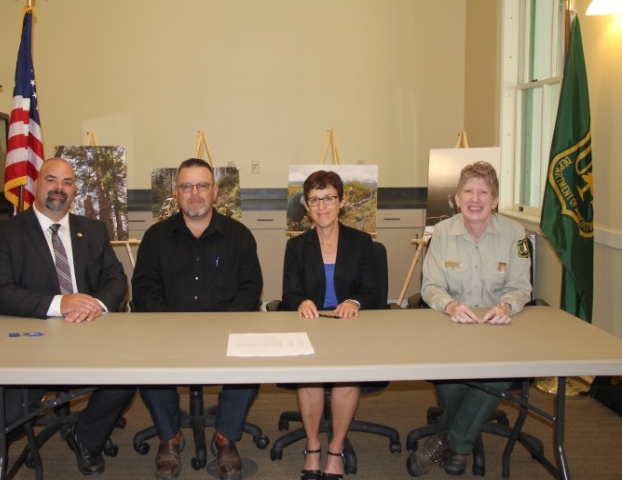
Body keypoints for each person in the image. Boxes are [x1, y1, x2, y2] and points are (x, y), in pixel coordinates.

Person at [0, 157, 136, 476]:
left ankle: (86, 438)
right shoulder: (7, 233)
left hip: (89, 330)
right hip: (33, 337)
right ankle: (0, 438)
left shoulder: (92, 230)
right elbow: (0, 292)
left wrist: (96, 304)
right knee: (6, 414)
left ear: (74, 189)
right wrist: (60, 303)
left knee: (126, 378)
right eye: (51, 179)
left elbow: (116, 279)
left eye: (67, 182)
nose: (59, 189)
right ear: (35, 184)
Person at [131, 158, 263, 480]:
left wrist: (221, 326)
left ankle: (225, 436)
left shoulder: (240, 236)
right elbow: (144, 289)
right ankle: (170, 436)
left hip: (226, 331)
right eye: (187, 186)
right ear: (176, 193)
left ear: (215, 192)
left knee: (250, 363)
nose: (195, 194)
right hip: (168, 330)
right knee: (148, 364)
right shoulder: (156, 237)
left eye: (202, 185)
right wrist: (170, 326)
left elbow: (250, 290)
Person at [406, 161, 532, 477]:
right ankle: (460, 443)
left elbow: (521, 287)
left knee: (498, 374)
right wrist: (449, 305)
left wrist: (506, 306)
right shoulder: (443, 233)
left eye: (483, 192)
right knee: (451, 378)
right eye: (468, 191)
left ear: (495, 200)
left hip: (498, 332)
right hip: (452, 329)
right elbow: (430, 286)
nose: (475, 199)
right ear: (457, 198)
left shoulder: (515, 233)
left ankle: (449, 443)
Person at [280, 170, 385, 480]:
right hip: (311, 327)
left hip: (349, 327)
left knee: (346, 376)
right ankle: (313, 447)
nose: (322, 207)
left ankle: (335, 450)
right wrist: (301, 301)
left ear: (342, 201)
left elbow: (374, 293)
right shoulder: (296, 247)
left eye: (328, 199)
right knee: (309, 377)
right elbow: (288, 294)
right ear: (306, 207)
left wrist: (354, 302)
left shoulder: (362, 243)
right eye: (314, 200)